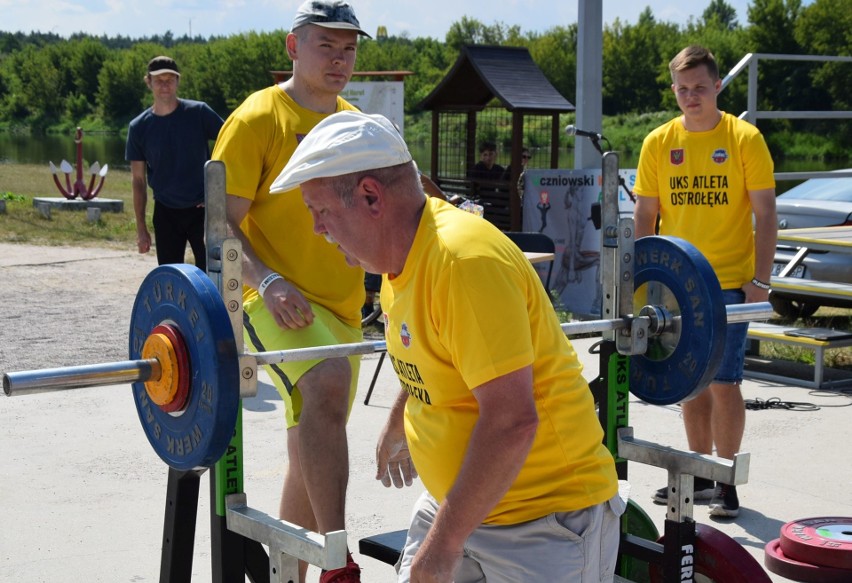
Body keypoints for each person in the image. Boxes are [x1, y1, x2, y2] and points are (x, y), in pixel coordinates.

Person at [270, 110, 623, 583]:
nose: (317, 228)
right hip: (462, 505)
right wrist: (400, 419)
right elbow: (438, 355)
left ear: (371, 196)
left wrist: (441, 548)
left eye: (321, 211)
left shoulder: (462, 262)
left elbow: (512, 421)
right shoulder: (402, 258)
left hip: (541, 524)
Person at [210, 2, 370, 581]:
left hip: (344, 307)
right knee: (326, 386)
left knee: (310, 448)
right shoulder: (258, 119)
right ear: (292, 47)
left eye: (349, 48)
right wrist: (269, 281)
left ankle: (286, 575)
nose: (339, 58)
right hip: (268, 297)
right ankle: (337, 559)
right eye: (325, 45)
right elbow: (220, 220)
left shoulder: (354, 123)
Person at [633, 45, 777, 519]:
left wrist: (761, 281)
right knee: (688, 384)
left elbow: (765, 213)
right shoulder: (658, 141)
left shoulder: (743, 138)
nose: (690, 97)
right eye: (682, 89)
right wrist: (640, 282)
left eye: (699, 88)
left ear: (717, 86)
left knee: (724, 381)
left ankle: (727, 479)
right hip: (676, 283)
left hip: (729, 284)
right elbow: (645, 216)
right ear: (673, 90)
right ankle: (697, 472)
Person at [126, 55, 224, 272]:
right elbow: (138, 180)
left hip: (203, 209)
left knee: (212, 273)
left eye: (170, 79)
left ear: (178, 82)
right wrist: (141, 228)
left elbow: (231, 142)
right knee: (171, 275)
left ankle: (209, 308)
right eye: (159, 79)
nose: (165, 85)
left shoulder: (199, 113)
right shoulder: (139, 127)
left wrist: (217, 192)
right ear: (148, 82)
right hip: (166, 211)